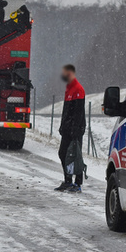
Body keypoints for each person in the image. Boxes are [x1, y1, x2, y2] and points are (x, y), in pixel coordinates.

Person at [56, 64, 86, 192]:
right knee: (64, 153)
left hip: (75, 129)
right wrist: (63, 126)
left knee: (75, 154)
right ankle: (68, 180)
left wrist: (75, 128)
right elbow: (66, 111)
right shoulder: (69, 89)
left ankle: (77, 183)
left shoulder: (78, 89)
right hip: (67, 128)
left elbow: (78, 112)